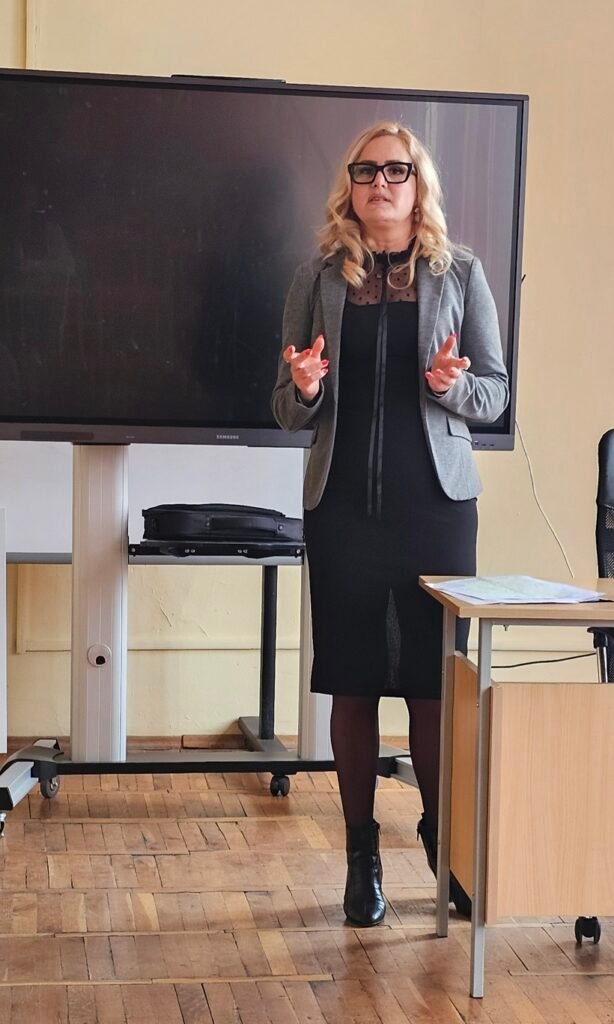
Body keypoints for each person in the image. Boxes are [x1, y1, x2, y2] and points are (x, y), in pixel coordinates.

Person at [272, 121, 509, 927]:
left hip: (434, 510)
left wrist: (450, 386)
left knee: (432, 685)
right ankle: (360, 857)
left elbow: (495, 393)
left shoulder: (460, 273)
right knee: (354, 680)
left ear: (417, 185)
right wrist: (305, 388)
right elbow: (285, 406)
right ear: (350, 184)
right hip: (342, 509)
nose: (381, 181)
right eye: (367, 169)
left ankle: (445, 844)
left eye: (396, 169)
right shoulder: (316, 278)